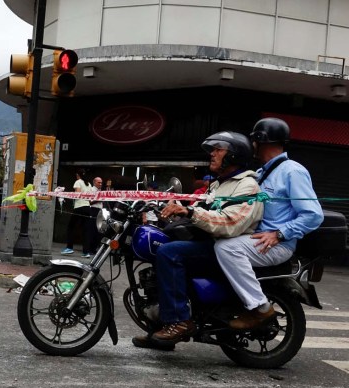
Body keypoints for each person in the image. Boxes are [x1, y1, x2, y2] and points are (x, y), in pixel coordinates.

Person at [134, 131, 264, 349]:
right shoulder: (220, 184)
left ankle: (179, 322)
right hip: (210, 241)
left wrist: (190, 213)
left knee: (169, 252)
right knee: (163, 244)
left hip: (225, 246)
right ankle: (160, 326)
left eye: (218, 150)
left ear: (233, 156)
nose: (212, 154)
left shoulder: (247, 185)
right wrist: (174, 208)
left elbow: (231, 223)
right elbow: (203, 208)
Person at [215, 118, 324, 330]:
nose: (252, 145)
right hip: (256, 239)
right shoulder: (263, 172)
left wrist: (279, 234)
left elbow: (313, 214)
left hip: (275, 244)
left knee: (226, 248)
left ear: (261, 141)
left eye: (254, 140)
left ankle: (260, 309)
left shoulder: (292, 171)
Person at [61, 169, 93, 258]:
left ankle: (69, 247)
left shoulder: (78, 182)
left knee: (71, 227)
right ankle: (86, 252)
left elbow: (77, 194)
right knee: (86, 230)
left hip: (79, 207)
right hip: (87, 207)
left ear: (78, 175)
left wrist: (68, 196)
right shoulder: (89, 184)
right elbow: (90, 198)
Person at [89, 176, 104, 254]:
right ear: (94, 182)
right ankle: (90, 249)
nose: (100, 184)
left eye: (101, 182)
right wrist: (100, 199)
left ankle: (94, 248)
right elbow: (90, 202)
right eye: (99, 182)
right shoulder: (91, 190)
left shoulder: (100, 191)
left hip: (100, 210)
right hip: (93, 210)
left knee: (99, 230)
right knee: (93, 230)